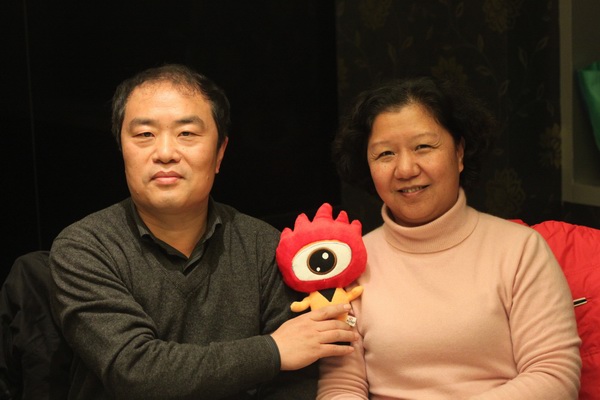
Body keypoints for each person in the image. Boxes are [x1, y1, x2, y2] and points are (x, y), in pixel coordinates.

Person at [49, 63, 358, 399]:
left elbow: (296, 379)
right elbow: (134, 370)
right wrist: (272, 351)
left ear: (220, 152)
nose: (165, 153)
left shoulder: (264, 247)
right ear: (121, 148)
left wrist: (283, 353)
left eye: (186, 134)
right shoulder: (85, 247)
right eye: (144, 135)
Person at [317, 76, 582, 399]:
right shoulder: (350, 264)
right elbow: (341, 387)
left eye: (423, 147)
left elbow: (554, 376)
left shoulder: (520, 250)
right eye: (385, 154)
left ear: (459, 152)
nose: (405, 169)